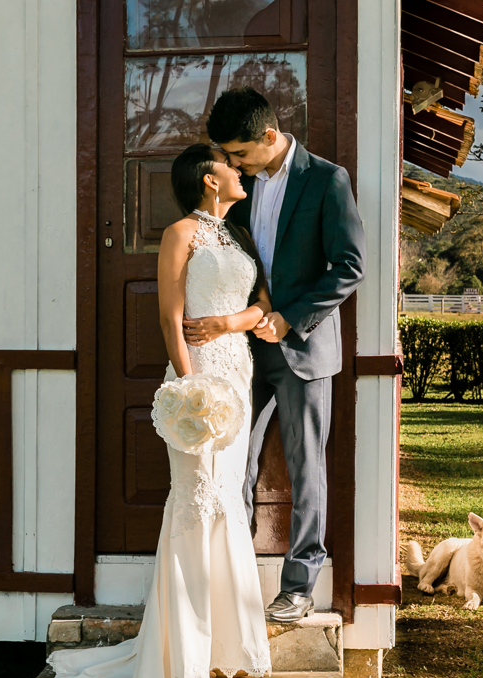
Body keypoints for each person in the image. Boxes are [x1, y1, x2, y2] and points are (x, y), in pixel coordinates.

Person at [46, 144, 273, 678]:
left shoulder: (239, 238)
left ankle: (224, 638)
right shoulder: (180, 235)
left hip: (238, 372)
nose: (240, 170)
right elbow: (171, 317)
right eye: (231, 163)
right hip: (199, 382)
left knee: (227, 497)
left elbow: (263, 308)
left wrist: (232, 323)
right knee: (196, 499)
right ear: (209, 178)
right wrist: (190, 382)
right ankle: (182, 651)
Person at [186, 87, 366, 623]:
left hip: (303, 349)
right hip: (242, 350)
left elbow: (350, 265)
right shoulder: (241, 188)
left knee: (306, 465)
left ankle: (299, 586)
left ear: (269, 136)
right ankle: (233, 579)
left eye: (239, 154)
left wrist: (290, 316)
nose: (230, 164)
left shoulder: (328, 180)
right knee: (231, 460)